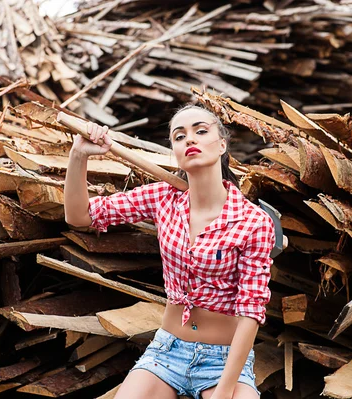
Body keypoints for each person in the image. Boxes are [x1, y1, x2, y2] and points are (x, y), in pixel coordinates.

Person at [64, 104, 275, 399]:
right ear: (174, 150)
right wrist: (79, 154)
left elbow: (251, 311)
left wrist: (224, 391)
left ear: (222, 144)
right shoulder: (163, 197)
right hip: (167, 351)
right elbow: (81, 216)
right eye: (179, 136)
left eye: (201, 131)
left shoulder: (253, 221)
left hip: (225, 362)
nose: (190, 139)